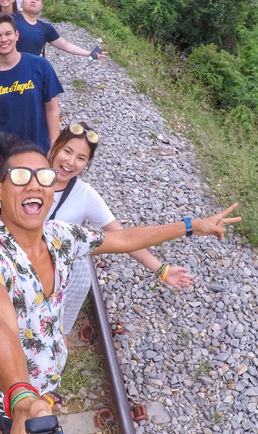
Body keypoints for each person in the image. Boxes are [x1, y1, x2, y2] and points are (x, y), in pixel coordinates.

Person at [0, 142, 240, 434]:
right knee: (8, 432)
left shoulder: (60, 236)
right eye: (20, 176)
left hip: (46, 372)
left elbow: (122, 239)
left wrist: (191, 225)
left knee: (33, 415)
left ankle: (23, 420)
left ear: (51, 193)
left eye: (43, 176)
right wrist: (21, 398)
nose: (34, 184)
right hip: (12, 388)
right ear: (0, 191)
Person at [47, 122, 193, 333]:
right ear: (56, 146)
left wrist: (161, 269)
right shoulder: (27, 172)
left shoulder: (85, 195)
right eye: (67, 151)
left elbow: (123, 237)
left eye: (81, 158)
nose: (70, 162)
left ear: (87, 163)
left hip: (54, 277)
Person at [0, 13, 63, 153]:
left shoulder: (40, 65)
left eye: (8, 33)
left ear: (16, 35)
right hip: (5, 155)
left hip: (40, 150)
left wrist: (54, 146)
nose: (3, 39)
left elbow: (52, 109)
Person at [15, 0, 108, 60]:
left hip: (29, 73)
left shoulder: (46, 28)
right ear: (21, 4)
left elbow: (66, 45)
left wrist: (89, 53)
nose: (33, 1)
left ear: (41, 7)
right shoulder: (9, 20)